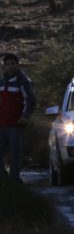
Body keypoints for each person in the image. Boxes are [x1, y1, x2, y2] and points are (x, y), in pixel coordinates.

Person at [0, 53, 36, 183]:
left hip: (16, 123)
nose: (10, 66)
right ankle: (3, 180)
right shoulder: (2, 81)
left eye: (12, 64)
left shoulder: (24, 81)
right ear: (4, 66)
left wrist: (25, 116)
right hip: (1, 123)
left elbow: (30, 101)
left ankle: (14, 179)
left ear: (17, 65)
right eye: (7, 64)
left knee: (15, 153)